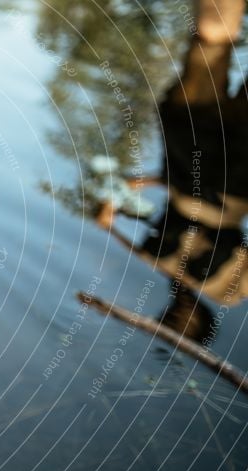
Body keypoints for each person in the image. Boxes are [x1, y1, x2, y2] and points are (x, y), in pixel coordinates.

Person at [98, 0, 247, 340]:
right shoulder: (230, 293)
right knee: (210, 42)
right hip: (238, 183)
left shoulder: (153, 261)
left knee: (210, 40)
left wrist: (113, 212)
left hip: (187, 164)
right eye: (184, 326)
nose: (177, 317)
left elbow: (117, 221)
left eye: (169, 322)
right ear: (202, 321)